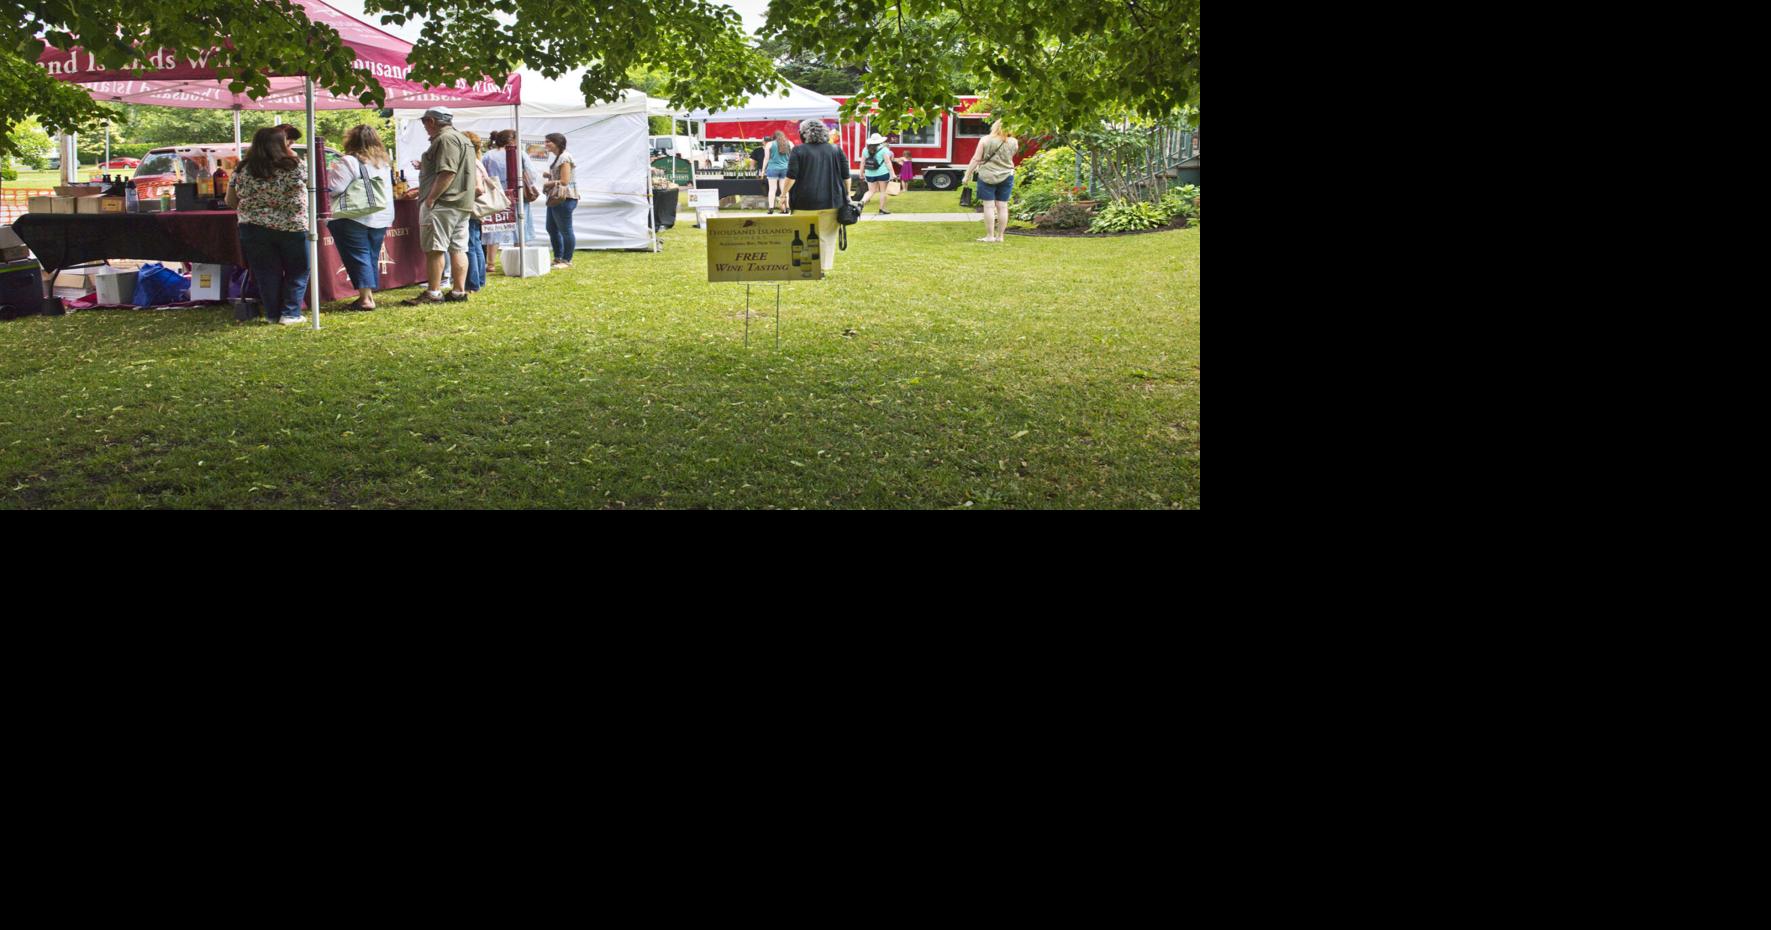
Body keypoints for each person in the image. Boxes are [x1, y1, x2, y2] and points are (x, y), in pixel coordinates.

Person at [226, 126, 310, 325]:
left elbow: (230, 200)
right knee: (298, 269)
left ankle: (272, 314)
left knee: (266, 272)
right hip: (292, 225)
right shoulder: (295, 165)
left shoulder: (242, 168)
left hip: (253, 226)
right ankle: (290, 313)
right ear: (281, 144)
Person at [401, 105, 476, 305]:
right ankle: (458, 292)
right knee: (458, 247)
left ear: (432, 121)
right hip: (460, 202)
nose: (424, 126)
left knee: (435, 248)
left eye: (425, 122)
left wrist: (431, 198)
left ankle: (433, 292)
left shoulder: (445, 139)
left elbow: (448, 172)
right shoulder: (462, 138)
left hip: (444, 202)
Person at [325, 124, 395, 310]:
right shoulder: (383, 162)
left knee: (358, 255)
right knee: (370, 255)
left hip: (353, 215)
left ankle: (365, 299)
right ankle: (368, 295)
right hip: (381, 215)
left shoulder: (349, 161)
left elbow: (335, 188)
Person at [780, 118, 848, 274]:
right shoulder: (836, 150)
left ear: (804, 134)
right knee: (826, 236)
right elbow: (846, 177)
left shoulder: (798, 150)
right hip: (832, 200)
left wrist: (783, 196)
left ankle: (805, 266)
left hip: (804, 201)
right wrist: (847, 196)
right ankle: (822, 269)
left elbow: (791, 176)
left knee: (802, 234)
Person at [482, 129, 540, 270]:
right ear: (514, 140)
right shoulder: (519, 153)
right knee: (521, 224)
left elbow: (483, 175)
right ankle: (521, 258)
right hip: (518, 193)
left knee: (495, 226)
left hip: (496, 194)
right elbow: (532, 175)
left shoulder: (489, 155)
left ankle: (490, 263)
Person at [962, 120, 1019, 243]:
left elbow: (976, 159)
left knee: (989, 206)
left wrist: (967, 175)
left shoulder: (985, 140)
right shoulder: (1014, 142)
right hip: (1006, 175)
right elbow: (1009, 157)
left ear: (995, 126)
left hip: (987, 175)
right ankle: (1000, 237)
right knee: (1003, 206)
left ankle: (990, 236)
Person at [541, 133, 577, 269]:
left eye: (548, 142)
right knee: (551, 227)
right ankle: (558, 257)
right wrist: (550, 175)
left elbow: (564, 181)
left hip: (564, 197)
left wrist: (548, 183)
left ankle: (567, 260)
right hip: (556, 198)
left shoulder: (564, 157)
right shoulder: (559, 157)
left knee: (565, 230)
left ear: (557, 142)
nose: (546, 145)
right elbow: (561, 176)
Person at [462, 131, 488, 292]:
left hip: (472, 207)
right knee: (476, 243)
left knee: (471, 245)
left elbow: (479, 188)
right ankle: (479, 280)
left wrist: (462, 195)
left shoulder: (472, 162)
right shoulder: (478, 161)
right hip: (477, 208)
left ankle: (473, 283)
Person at [858, 132, 895, 214]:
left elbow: (862, 162)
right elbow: (888, 162)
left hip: (869, 174)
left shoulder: (865, 150)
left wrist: (861, 173)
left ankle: (861, 203)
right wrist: (892, 173)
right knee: (882, 191)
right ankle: (882, 209)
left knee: (871, 191)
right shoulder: (884, 149)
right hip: (883, 173)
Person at [764, 130, 793, 214]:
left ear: (774, 137)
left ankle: (771, 209)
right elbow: (792, 157)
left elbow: (766, 158)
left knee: (772, 189)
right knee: (784, 190)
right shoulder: (790, 143)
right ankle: (787, 208)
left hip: (772, 168)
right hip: (785, 168)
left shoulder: (769, 144)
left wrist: (763, 170)